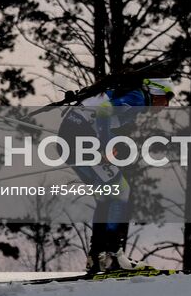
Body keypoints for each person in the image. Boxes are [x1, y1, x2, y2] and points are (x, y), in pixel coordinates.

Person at [57, 77, 174, 273]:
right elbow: (103, 111)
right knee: (121, 191)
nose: (166, 105)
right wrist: (104, 145)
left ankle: (97, 256)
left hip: (70, 137)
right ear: (155, 92)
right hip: (80, 137)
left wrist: (112, 144)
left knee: (105, 196)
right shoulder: (137, 97)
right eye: (165, 99)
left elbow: (101, 112)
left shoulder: (129, 95)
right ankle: (113, 256)